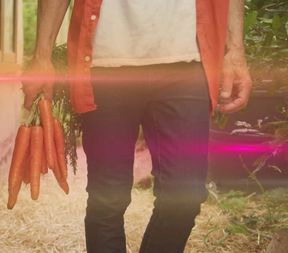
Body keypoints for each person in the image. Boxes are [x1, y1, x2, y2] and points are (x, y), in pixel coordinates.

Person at [22, 0, 252, 252]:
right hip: (104, 65)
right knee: (107, 200)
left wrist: (235, 51)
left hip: (187, 63)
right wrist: (42, 56)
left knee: (185, 196)